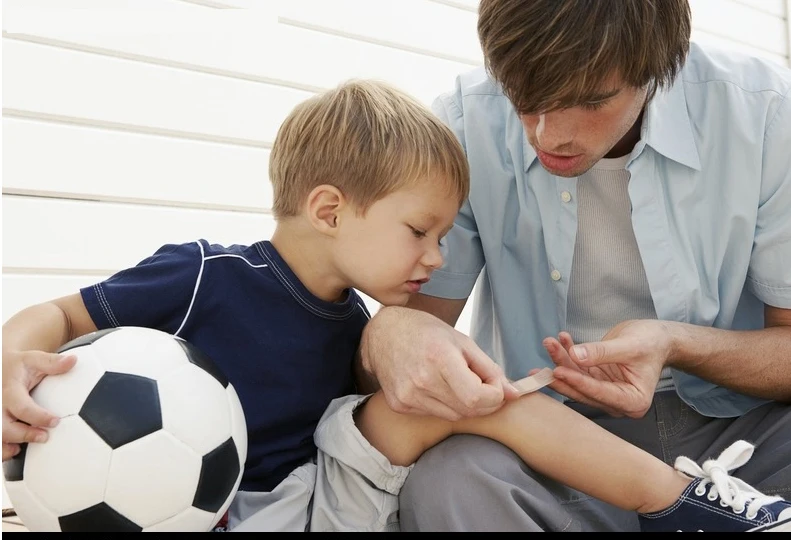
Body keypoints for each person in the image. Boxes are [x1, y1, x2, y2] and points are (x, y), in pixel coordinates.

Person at [3, 79, 789, 533]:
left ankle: (690, 508)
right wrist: (10, 356)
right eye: (420, 230)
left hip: (309, 513)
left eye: (444, 235)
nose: (438, 259)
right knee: (461, 400)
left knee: (467, 396)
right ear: (329, 208)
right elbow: (61, 316)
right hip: (163, 508)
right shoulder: (206, 274)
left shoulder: (355, 327)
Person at [355, 0, 791, 533]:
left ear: (658, 65)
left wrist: (676, 343)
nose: (547, 134)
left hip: (741, 428)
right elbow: (417, 328)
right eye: (524, 98)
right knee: (449, 481)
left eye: (589, 101)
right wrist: (392, 331)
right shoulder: (465, 122)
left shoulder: (766, 113)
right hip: (551, 441)